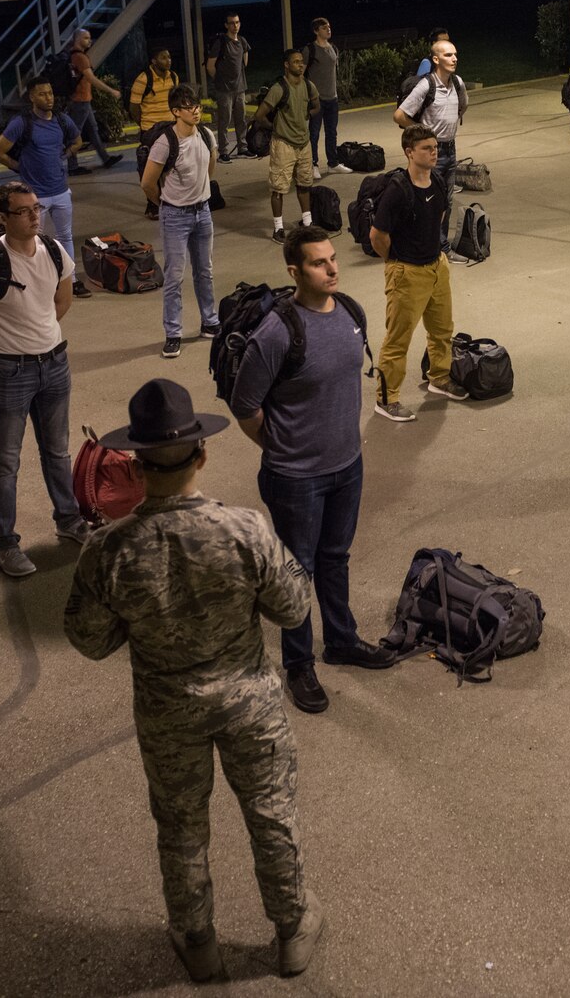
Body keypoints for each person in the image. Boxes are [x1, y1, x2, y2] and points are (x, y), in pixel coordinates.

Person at [64, 379, 323, 983]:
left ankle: (197, 938)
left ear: (133, 460)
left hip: (166, 711)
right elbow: (293, 608)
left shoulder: (110, 549)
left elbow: (89, 640)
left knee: (180, 825)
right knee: (270, 811)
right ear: (201, 454)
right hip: (250, 705)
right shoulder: (244, 530)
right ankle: (291, 928)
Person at [231, 224, 399, 714]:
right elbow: (246, 407)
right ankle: (299, 665)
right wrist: (283, 449)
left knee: (335, 558)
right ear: (294, 271)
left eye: (332, 259)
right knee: (296, 571)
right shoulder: (277, 333)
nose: (332, 268)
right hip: (295, 478)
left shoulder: (351, 311)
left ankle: (342, 641)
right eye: (318, 262)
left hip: (348, 464)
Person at [0, 180, 90, 576]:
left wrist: (38, 338)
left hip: (54, 364)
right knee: (5, 461)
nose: (34, 216)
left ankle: (69, 520)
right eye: (24, 211)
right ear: (2, 218)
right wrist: (5, 350)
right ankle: (5, 544)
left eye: (36, 209)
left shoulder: (52, 249)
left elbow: (60, 302)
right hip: (7, 372)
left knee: (57, 451)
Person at [369, 126, 463, 422]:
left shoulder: (435, 179)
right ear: (409, 152)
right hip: (407, 273)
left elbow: (440, 216)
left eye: (435, 147)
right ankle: (386, 399)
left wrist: (436, 257)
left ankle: (440, 378)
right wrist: (397, 262)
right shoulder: (398, 189)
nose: (434, 152)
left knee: (442, 330)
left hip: (437, 267)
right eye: (426, 148)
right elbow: (377, 236)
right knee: (398, 339)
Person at [139, 85, 219, 359]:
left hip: (203, 212)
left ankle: (210, 321)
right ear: (175, 111)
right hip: (175, 215)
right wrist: (165, 202)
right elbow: (148, 182)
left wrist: (200, 193)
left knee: (204, 271)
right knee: (174, 276)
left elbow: (211, 167)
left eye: (197, 105)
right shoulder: (165, 142)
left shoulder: (207, 135)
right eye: (189, 106)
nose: (195, 110)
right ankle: (173, 333)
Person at [0, 79, 92, 300]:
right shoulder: (21, 123)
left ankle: (71, 280)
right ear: (32, 98)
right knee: (35, 241)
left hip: (60, 190)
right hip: (35, 195)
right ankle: (40, 282)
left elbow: (77, 141)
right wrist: (20, 167)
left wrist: (64, 155)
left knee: (65, 236)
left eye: (50, 93)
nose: (48, 98)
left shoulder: (61, 119)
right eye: (42, 94)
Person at [392, 38, 467, 250]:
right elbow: (399, 115)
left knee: (446, 202)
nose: (454, 58)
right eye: (448, 55)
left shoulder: (458, 83)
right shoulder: (427, 85)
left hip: (450, 150)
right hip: (430, 153)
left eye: (454, 54)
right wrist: (422, 133)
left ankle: (438, 244)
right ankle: (430, 245)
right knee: (426, 201)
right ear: (436, 59)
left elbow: (463, 106)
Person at [253, 47, 317, 244]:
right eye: (296, 62)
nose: (301, 64)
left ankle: (307, 222)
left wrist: (306, 115)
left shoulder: (308, 85)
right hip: (283, 144)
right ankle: (278, 228)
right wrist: (274, 128)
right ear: (287, 65)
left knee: (305, 184)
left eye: (302, 61)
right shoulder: (279, 88)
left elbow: (317, 106)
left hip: (303, 143)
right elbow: (259, 115)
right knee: (279, 188)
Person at [129, 42, 181, 217]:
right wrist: (144, 125)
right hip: (151, 130)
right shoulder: (143, 79)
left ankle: (170, 201)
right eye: (163, 57)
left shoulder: (173, 77)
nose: (168, 61)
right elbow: (134, 107)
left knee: (171, 168)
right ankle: (152, 204)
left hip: (170, 128)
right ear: (153, 61)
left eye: (169, 57)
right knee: (149, 169)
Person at [64, 27, 123, 173]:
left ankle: (106, 158)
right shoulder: (80, 57)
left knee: (93, 130)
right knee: (75, 134)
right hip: (80, 100)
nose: (89, 40)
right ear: (78, 40)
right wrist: (111, 91)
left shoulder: (73, 55)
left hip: (83, 100)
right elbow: (91, 78)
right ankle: (72, 167)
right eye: (86, 38)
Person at [204, 13, 252, 158]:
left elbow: (245, 63)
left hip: (240, 88)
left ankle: (242, 148)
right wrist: (219, 80)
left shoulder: (242, 41)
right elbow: (210, 66)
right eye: (231, 23)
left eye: (237, 22)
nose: (235, 26)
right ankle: (223, 151)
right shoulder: (221, 42)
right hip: (224, 89)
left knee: (241, 120)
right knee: (224, 121)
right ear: (226, 25)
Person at [303, 18, 345, 177]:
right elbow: (302, 73)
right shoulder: (310, 50)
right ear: (316, 31)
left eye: (329, 27)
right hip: (317, 99)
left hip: (332, 98)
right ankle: (312, 164)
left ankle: (332, 163)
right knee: (313, 133)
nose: (328, 30)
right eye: (324, 28)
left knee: (332, 132)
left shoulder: (333, 48)